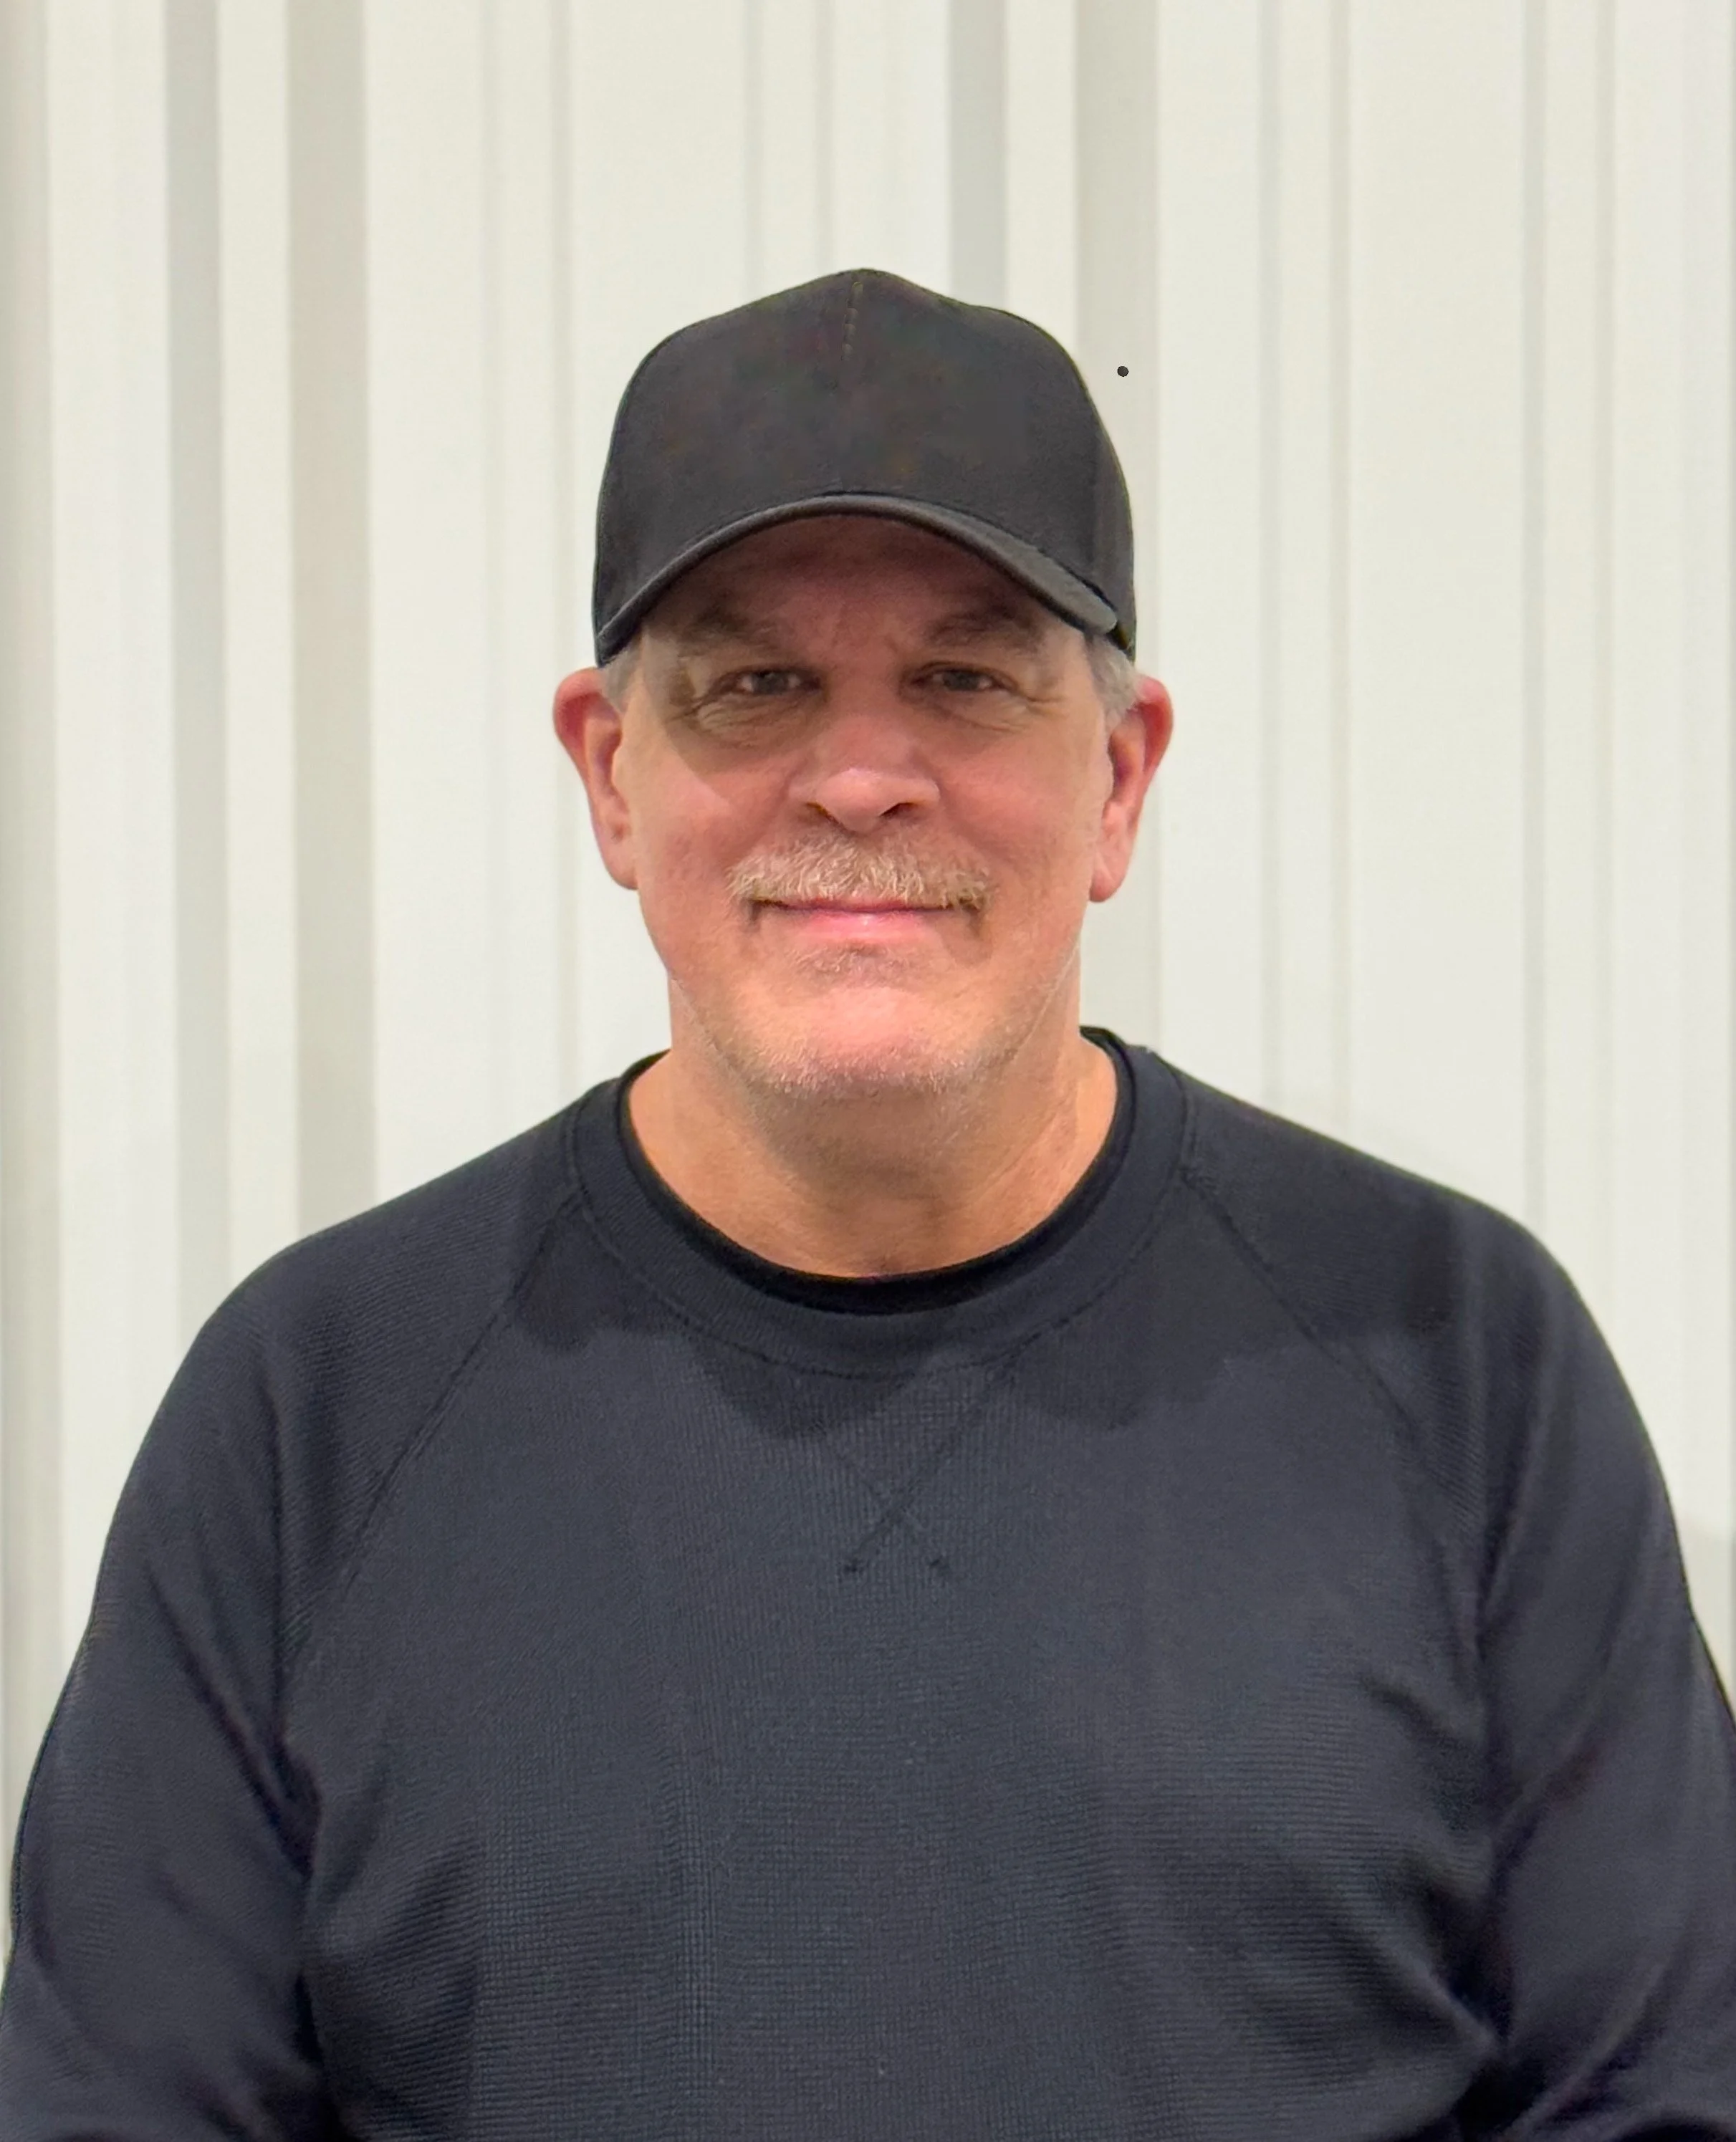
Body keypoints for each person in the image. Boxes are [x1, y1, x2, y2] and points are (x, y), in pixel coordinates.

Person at [1, 266, 1732, 2141]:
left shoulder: (1458, 1355)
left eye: (963, 680)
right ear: (610, 773)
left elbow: (1664, 2093)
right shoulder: (316, 1404)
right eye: (756, 684)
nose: (857, 778)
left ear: (1118, 778)